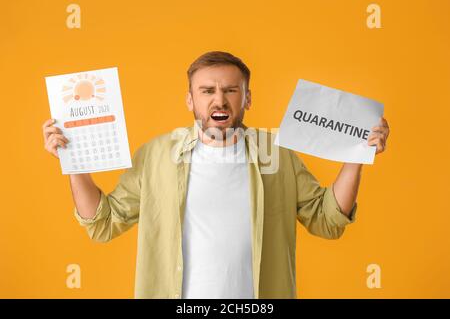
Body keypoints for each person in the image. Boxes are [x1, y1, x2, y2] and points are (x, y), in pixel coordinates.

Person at [42, 51, 390, 299]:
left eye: (230, 90)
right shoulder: (157, 155)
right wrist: (74, 160)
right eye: (207, 91)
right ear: (190, 101)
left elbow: (327, 219)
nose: (219, 101)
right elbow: (104, 222)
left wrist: (355, 157)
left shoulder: (277, 154)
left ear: (247, 98)